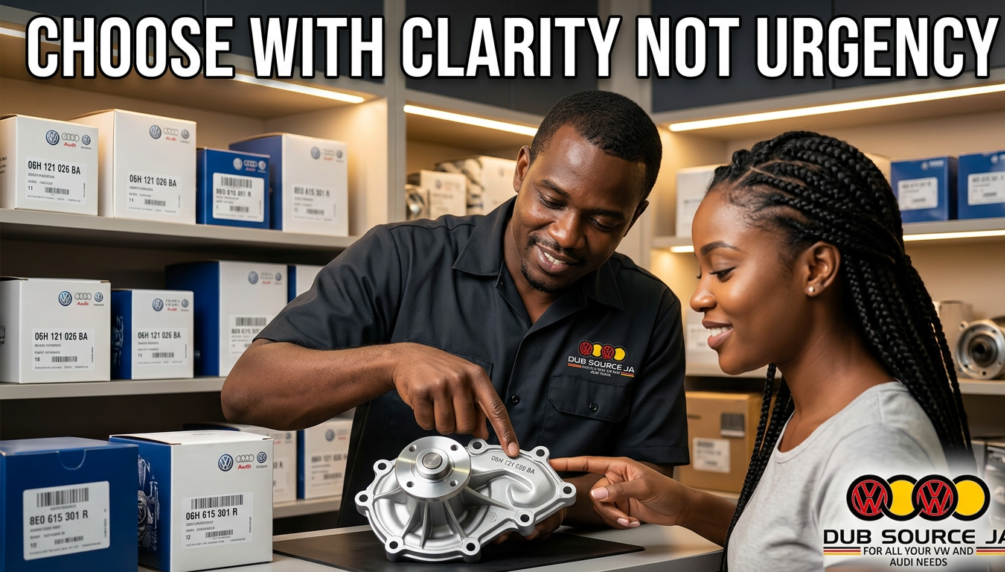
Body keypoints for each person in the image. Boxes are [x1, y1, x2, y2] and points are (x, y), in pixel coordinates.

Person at [222, 90, 690, 535]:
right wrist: (392, 361)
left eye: (603, 221)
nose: (566, 235)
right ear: (522, 168)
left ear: (635, 215)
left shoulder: (651, 309)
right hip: (392, 557)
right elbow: (246, 393)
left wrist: (552, 501)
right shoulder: (398, 258)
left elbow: (648, 485)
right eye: (552, 200)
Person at [553, 131, 973, 570]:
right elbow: (794, 545)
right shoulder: (815, 417)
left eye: (722, 270)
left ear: (816, 268)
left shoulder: (875, 446)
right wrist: (688, 507)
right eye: (701, 273)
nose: (698, 297)